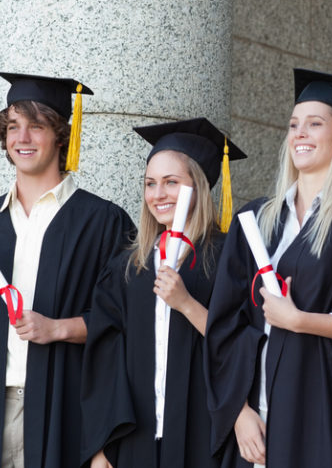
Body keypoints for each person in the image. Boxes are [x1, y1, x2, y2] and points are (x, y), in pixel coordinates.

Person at [0, 72, 135, 468]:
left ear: (60, 136)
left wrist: (57, 328)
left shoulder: (103, 223)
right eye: (13, 127)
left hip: (65, 410)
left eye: (36, 126)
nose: (22, 138)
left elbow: (124, 325)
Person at [205, 69, 332, 468]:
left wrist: (300, 320)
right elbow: (224, 325)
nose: (300, 133)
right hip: (255, 427)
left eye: (315, 124)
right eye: (293, 125)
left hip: (320, 419)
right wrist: (238, 413)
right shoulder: (257, 220)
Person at [80, 117, 246, 468]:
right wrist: (99, 446)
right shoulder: (128, 267)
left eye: (171, 182)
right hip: (133, 440)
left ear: (198, 187)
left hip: (204, 438)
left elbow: (243, 344)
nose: (158, 195)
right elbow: (104, 360)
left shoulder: (228, 257)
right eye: (150, 184)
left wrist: (185, 304)